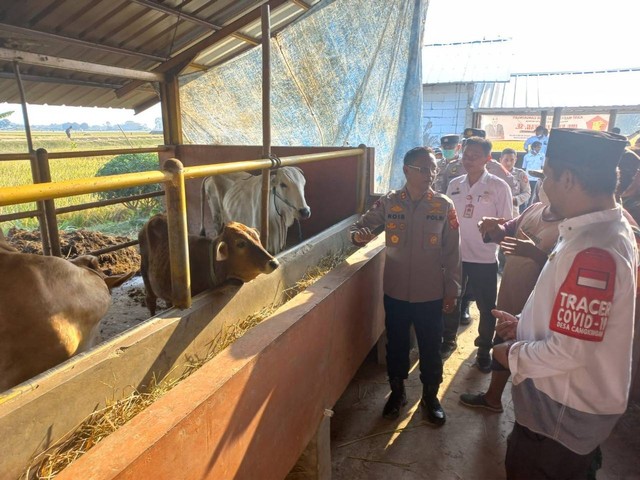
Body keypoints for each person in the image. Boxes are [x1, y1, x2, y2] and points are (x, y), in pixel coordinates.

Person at [492, 128, 635, 479]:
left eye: (548, 176)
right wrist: (525, 324)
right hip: (561, 409)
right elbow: (576, 320)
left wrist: (509, 355)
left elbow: (570, 353)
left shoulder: (594, 251)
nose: (544, 186)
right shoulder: (594, 232)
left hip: (557, 418)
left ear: (568, 178)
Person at [350, 146, 461, 425]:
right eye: (424, 169)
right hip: (396, 291)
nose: (430, 174)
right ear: (406, 171)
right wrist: (359, 237)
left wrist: (452, 289)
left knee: (430, 347)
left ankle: (430, 397)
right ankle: (397, 393)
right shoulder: (389, 202)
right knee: (397, 345)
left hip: (430, 293)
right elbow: (361, 229)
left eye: (433, 169)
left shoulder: (443, 205)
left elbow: (452, 253)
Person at [460, 187, 562, 412]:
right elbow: (507, 230)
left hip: (536, 308)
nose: (545, 185)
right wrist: (492, 228)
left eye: (550, 176)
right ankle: (493, 398)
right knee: (503, 345)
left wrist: (535, 254)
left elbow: (565, 272)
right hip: (510, 294)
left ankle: (529, 418)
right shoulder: (535, 210)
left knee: (530, 357)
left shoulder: (570, 226)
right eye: (544, 177)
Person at [442, 136, 513, 369]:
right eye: (466, 155)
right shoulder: (454, 185)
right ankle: (448, 340)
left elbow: (507, 222)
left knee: (486, 307)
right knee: (452, 300)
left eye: (475, 156)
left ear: (487, 158)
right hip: (456, 257)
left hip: (484, 258)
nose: (468, 160)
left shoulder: (498, 186)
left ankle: (484, 348)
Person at [499, 148, 530, 216]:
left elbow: (527, 192)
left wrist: (515, 199)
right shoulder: (493, 173)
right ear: (500, 160)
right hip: (495, 208)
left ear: (515, 160)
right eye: (506, 160)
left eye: (512, 160)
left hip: (513, 210)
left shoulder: (520, 174)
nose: (509, 163)